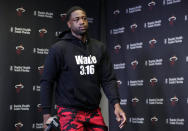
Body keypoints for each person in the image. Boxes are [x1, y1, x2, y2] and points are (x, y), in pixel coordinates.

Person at [40, 6, 126, 131]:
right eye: (77, 19)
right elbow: (47, 82)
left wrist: (116, 105)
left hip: (93, 111)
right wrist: (46, 115)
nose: (82, 22)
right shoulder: (58, 49)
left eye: (84, 18)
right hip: (69, 111)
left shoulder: (99, 47)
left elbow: (108, 79)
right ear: (69, 24)